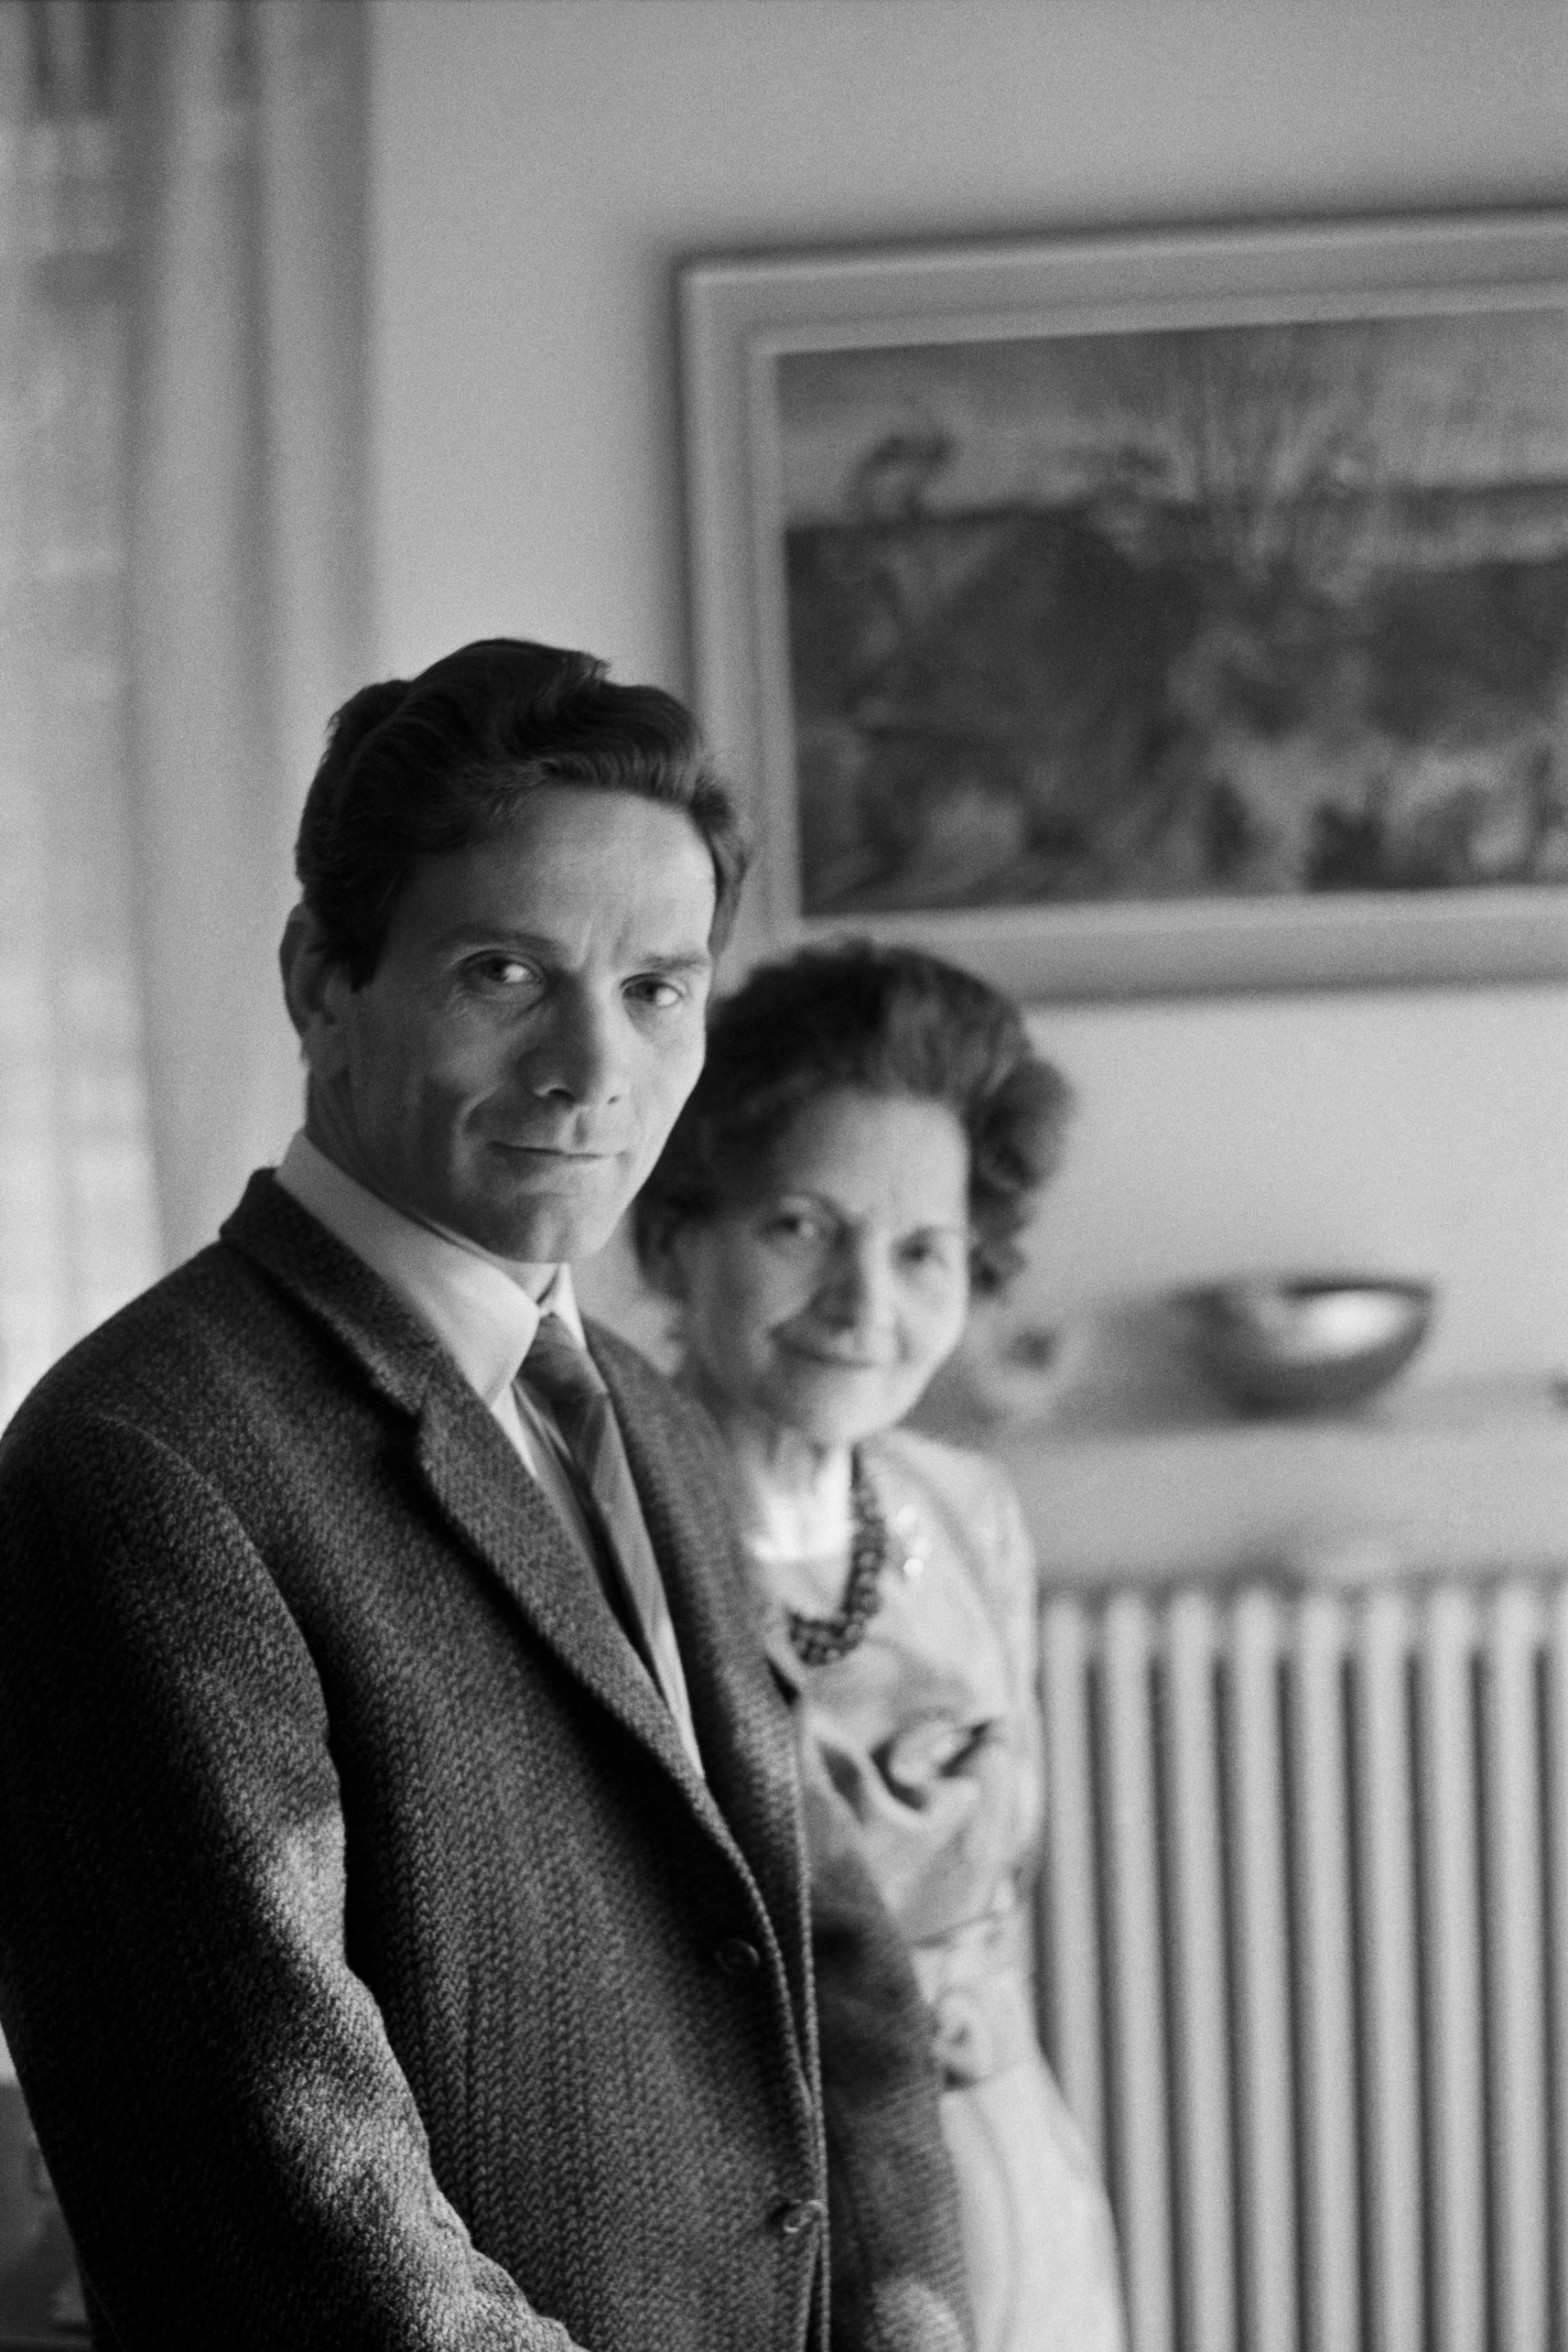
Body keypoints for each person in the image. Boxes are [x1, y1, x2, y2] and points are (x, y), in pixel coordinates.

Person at [0, 641, 973, 2352]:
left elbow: (834, 1966)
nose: (592, 1065)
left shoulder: (657, 1418)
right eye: (505, 971)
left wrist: (912, 2321)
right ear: (321, 978)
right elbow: (287, 2191)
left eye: (657, 987)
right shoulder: (139, 1464)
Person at [634, 942, 1128, 2352]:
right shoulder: (601, 1534)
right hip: (756, 2244)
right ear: (678, 1233)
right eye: (799, 1226)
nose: (866, 1303)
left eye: (922, 1251)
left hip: (1007, 2195)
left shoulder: (966, 1512)